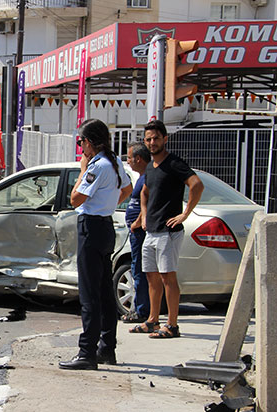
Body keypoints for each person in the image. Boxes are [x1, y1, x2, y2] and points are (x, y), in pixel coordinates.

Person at [59, 119, 132, 370]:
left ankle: (86, 352)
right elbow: (127, 188)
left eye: (81, 142)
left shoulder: (96, 166)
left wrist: (81, 171)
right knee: (104, 292)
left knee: (90, 294)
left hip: (91, 226)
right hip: (105, 225)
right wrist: (108, 203)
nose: (81, 147)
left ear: (89, 142)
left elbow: (75, 199)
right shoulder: (114, 161)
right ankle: (106, 348)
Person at [130, 120, 204, 339]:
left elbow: (197, 185)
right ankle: (153, 320)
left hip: (168, 232)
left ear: (165, 139)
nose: (153, 142)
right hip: (151, 231)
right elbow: (144, 192)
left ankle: (172, 324)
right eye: (149, 139)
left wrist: (185, 214)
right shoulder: (151, 168)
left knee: (167, 278)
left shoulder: (174, 163)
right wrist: (143, 216)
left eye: (156, 138)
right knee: (151, 277)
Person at [121, 142, 151, 324]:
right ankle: (140, 308)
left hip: (140, 233)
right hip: (136, 232)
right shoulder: (141, 177)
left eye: (129, 157)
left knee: (139, 270)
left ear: (138, 159)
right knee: (136, 269)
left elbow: (148, 201)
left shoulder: (148, 177)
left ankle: (141, 311)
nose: (128, 161)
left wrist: (137, 223)